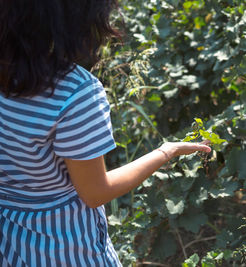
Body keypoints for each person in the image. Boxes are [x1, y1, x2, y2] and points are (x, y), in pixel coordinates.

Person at [0, 0, 211, 266]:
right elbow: (95, 192)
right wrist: (165, 152)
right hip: (66, 246)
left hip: (10, 239)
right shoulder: (76, 93)